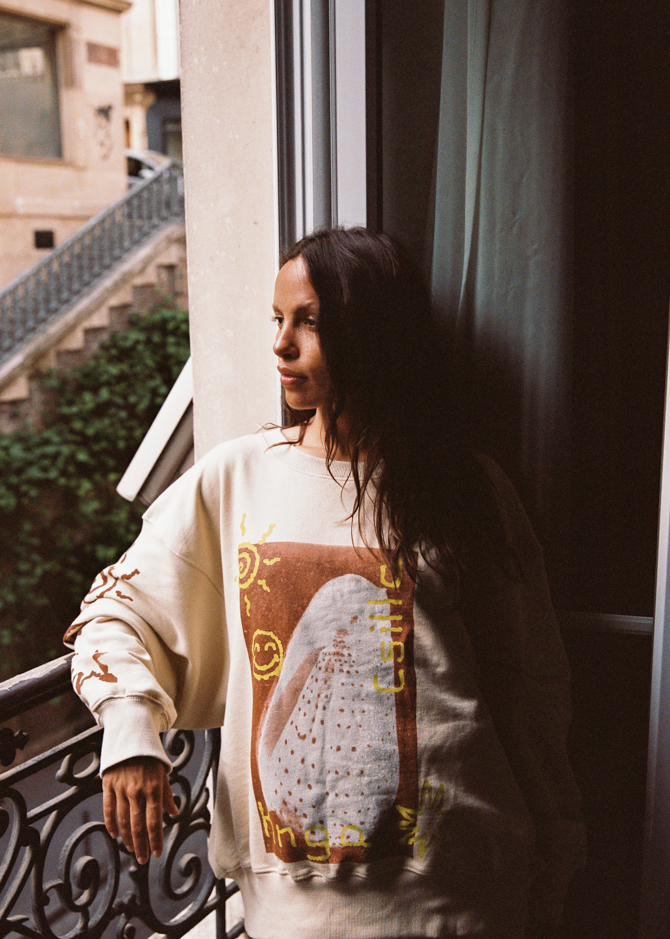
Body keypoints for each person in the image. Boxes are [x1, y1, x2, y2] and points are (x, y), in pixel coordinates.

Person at [65, 227, 585, 939]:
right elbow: (114, 613)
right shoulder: (239, 477)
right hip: (297, 906)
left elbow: (529, 687)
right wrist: (129, 731)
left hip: (461, 892)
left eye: (310, 321)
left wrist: (555, 860)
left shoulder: (466, 486)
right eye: (277, 320)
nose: (281, 345)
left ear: (374, 333)